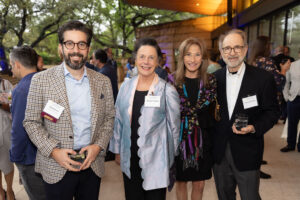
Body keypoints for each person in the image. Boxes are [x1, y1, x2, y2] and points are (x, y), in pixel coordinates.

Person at [23, 20, 115, 200]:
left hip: (91, 163)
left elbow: (109, 119)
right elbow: (31, 122)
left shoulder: (102, 81)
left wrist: (98, 147)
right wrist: (54, 151)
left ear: (88, 48)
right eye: (69, 44)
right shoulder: (40, 80)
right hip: (55, 165)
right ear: (61, 47)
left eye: (81, 44)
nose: (75, 50)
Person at [109, 37, 180, 200]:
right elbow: (118, 120)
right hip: (130, 159)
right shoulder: (125, 87)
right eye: (142, 56)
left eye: (151, 57)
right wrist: (117, 150)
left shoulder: (167, 90)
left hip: (156, 161)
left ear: (158, 61)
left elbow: (174, 128)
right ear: (135, 59)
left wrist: (172, 158)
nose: (146, 62)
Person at [213, 29, 279, 200]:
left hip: (248, 150)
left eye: (237, 47)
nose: (232, 53)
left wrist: (254, 127)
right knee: (224, 196)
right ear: (221, 52)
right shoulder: (213, 79)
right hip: (219, 153)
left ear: (245, 49)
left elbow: (272, 112)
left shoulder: (263, 78)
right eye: (227, 48)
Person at [174, 37, 217, 200]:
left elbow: (215, 114)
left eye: (197, 55)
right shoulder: (171, 81)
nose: (192, 60)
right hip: (179, 140)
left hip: (203, 141)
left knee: (199, 184)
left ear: (203, 57)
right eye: (188, 54)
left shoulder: (211, 82)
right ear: (182, 57)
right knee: (181, 182)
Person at [9, 46, 46, 200]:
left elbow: (19, 129)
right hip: (50, 153)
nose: (12, 70)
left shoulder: (21, 89)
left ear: (17, 64)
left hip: (30, 157)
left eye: (11, 66)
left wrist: (15, 156)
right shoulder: (46, 82)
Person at [281, 59, 300, 152]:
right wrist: (286, 97)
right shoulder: (292, 65)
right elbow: (286, 82)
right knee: (292, 123)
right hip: (294, 98)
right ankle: (290, 144)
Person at [0, 78, 15, 200]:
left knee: (7, 164)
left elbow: (13, 107)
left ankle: (9, 191)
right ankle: (1, 192)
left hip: (4, 130)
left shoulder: (5, 84)